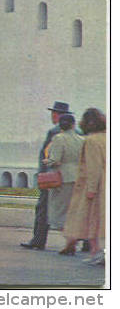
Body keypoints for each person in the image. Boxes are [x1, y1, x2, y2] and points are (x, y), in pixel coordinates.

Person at [21, 101, 73, 250]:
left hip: (52, 177)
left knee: (42, 208)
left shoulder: (54, 132)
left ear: (56, 115)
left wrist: (42, 174)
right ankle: (83, 241)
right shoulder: (78, 133)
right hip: (70, 178)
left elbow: (48, 154)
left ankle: (38, 239)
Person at [62, 108, 106, 265]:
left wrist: (91, 189)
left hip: (98, 186)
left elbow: (94, 167)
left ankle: (97, 252)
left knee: (91, 220)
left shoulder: (91, 141)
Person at [42, 113, 84, 252]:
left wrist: (46, 161)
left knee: (59, 212)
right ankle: (72, 240)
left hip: (62, 178)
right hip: (78, 178)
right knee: (73, 211)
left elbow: (55, 160)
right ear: (73, 124)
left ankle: (70, 240)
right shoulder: (81, 139)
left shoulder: (59, 138)